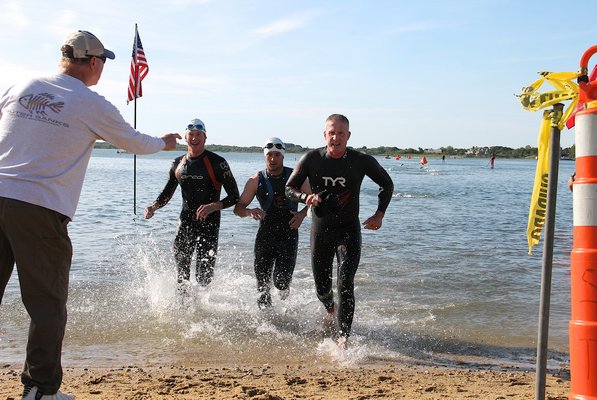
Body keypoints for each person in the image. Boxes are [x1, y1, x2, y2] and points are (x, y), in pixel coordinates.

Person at [0, 30, 180, 400]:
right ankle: (39, 389)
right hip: (37, 208)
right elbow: (135, 142)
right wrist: (164, 143)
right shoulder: (89, 102)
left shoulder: (21, 85)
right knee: (47, 304)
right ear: (94, 62)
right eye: (103, 63)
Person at [285, 114, 394, 350]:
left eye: (341, 133)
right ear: (325, 135)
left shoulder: (361, 160)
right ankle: (329, 309)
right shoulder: (311, 159)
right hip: (320, 231)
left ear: (348, 136)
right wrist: (307, 197)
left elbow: (387, 184)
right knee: (322, 288)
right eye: (331, 133)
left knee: (345, 281)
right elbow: (289, 188)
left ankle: (344, 336)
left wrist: (379, 215)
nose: (336, 137)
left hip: (348, 231)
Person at [144, 118, 239, 287]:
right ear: (186, 138)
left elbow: (234, 196)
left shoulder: (218, 162)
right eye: (191, 135)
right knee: (182, 273)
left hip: (209, 224)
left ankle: (203, 308)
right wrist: (153, 207)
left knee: (204, 277)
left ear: (205, 138)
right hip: (186, 221)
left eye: (198, 135)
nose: (194, 138)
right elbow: (167, 193)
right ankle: (184, 308)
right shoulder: (177, 163)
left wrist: (213, 206)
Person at [234, 137, 310, 308]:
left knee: (281, 283)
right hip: (265, 235)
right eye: (270, 155)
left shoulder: (296, 177)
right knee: (262, 287)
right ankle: (265, 326)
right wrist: (249, 211)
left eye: (277, 155)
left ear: (283, 156)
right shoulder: (256, 180)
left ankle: (285, 292)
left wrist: (302, 214)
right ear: (265, 156)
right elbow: (238, 209)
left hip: (289, 234)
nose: (273, 158)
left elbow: (314, 202)